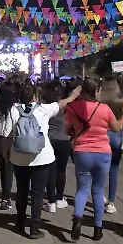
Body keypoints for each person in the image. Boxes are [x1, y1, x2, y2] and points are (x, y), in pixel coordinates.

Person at [8, 81, 80, 238]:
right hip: (42, 157)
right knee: (37, 193)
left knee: (21, 191)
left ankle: (19, 223)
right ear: (35, 95)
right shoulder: (43, 109)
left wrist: (9, 154)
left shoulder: (13, 111)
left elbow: (8, 136)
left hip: (19, 157)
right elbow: (61, 104)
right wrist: (74, 95)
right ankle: (34, 228)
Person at [65, 77, 123, 241]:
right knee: (98, 191)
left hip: (82, 152)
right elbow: (116, 127)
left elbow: (66, 128)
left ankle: (77, 218)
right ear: (97, 91)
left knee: (82, 189)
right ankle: (98, 229)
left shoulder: (73, 108)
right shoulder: (104, 108)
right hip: (103, 153)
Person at [99, 74, 123, 215]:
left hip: (102, 136)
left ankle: (99, 195)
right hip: (117, 136)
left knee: (100, 170)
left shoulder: (99, 101)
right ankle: (111, 203)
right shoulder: (122, 100)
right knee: (114, 170)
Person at [44, 81, 76, 212]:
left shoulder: (45, 106)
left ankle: (51, 202)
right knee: (61, 170)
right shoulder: (68, 106)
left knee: (50, 171)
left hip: (50, 140)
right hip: (65, 140)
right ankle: (60, 198)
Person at [0, 81, 18, 209]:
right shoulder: (15, 109)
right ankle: (6, 198)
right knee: (9, 171)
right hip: (8, 140)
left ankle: (5, 196)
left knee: (3, 170)